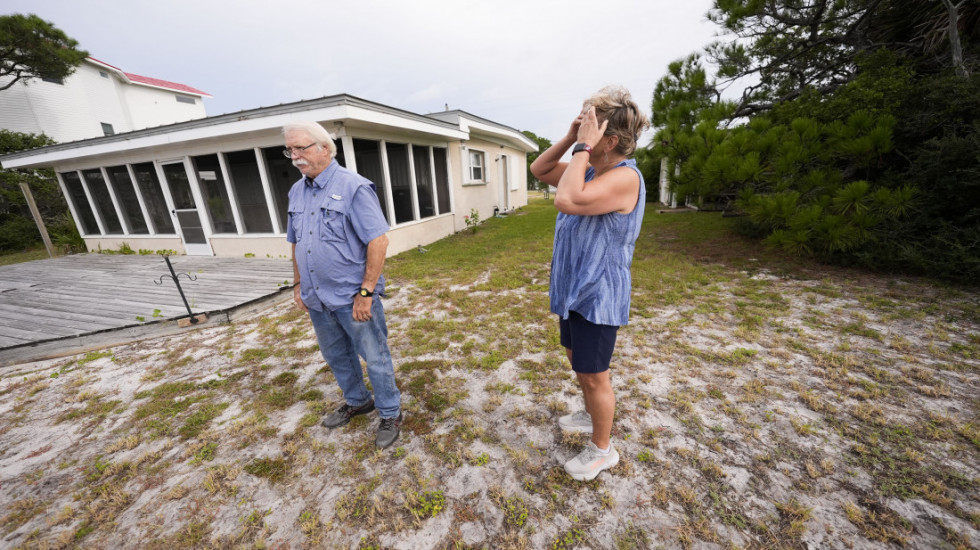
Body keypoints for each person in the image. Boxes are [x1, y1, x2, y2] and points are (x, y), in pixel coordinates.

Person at [530, 86, 649, 481]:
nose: (585, 133)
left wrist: (581, 149)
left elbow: (566, 200)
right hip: (573, 287)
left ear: (609, 140)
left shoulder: (624, 179)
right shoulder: (592, 170)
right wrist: (570, 138)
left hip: (598, 293)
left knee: (595, 374)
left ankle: (603, 450)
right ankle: (590, 410)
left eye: (591, 128)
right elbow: (541, 171)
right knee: (575, 356)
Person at [283, 120, 402, 449]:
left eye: (301, 148)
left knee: (374, 356)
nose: (294, 156)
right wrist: (297, 284)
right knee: (336, 355)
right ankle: (358, 400)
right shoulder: (296, 191)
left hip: (352, 298)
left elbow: (378, 242)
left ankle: (390, 412)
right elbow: (296, 242)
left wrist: (366, 293)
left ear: (324, 148)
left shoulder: (354, 187)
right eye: (290, 149)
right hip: (317, 299)